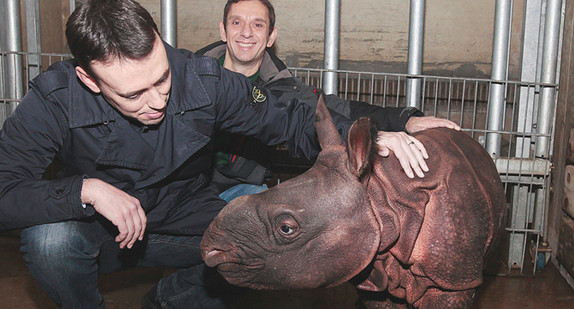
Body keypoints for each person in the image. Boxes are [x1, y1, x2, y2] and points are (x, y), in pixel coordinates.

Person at [0, 0, 368, 308]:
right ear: (89, 79)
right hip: (97, 228)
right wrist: (87, 190)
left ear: (159, 43)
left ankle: (168, 301)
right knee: (48, 241)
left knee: (268, 243)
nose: (157, 100)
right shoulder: (54, 99)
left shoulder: (201, 78)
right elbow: (4, 190)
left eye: (161, 78)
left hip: (183, 212)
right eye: (133, 94)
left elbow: (290, 118)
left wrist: (365, 143)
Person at [197, 0, 460, 201]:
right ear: (223, 30)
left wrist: (405, 120)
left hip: (240, 191)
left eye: (257, 24)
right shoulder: (189, 75)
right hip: (186, 189)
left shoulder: (282, 89)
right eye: (236, 23)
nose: (246, 33)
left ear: (271, 37)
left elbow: (338, 109)